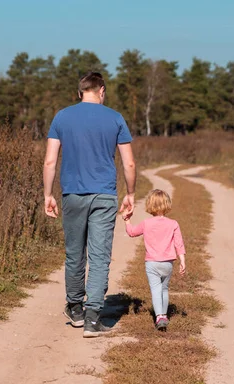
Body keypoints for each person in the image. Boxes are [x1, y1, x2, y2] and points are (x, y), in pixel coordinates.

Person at [43, 72, 136, 338]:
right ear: (102, 91)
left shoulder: (62, 117)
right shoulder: (115, 118)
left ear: (80, 92)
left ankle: (75, 308)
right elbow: (128, 163)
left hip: (72, 194)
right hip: (104, 196)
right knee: (99, 256)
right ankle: (93, 318)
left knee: (75, 254)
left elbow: (50, 161)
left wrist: (48, 194)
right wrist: (131, 193)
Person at [123, 189, 186, 330]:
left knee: (156, 289)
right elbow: (179, 243)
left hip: (152, 263)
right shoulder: (173, 224)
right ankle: (163, 314)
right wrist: (182, 260)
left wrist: (127, 220)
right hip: (168, 263)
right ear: (167, 204)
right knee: (164, 289)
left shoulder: (146, 223)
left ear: (149, 205)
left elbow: (132, 232)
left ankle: (159, 317)